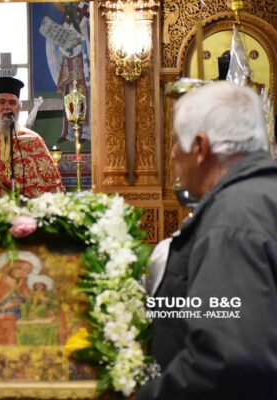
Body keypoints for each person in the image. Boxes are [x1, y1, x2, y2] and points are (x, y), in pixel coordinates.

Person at [137, 81, 277, 399]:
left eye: (176, 142)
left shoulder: (232, 220)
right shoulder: (261, 196)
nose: (173, 153)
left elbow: (227, 359)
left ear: (200, 147)